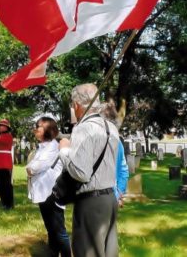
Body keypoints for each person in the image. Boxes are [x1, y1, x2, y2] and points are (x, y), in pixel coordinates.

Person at [59, 84, 120, 257]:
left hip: (90, 201)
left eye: (72, 104)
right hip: (110, 198)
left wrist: (64, 150)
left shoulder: (83, 128)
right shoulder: (111, 128)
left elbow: (81, 173)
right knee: (108, 252)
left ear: (77, 105)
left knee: (88, 252)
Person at [26, 117, 71, 257]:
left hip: (52, 194)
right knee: (50, 229)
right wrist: (30, 168)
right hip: (42, 193)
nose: (35, 129)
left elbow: (34, 168)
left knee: (59, 231)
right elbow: (31, 166)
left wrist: (30, 168)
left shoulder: (52, 147)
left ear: (48, 130)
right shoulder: (42, 148)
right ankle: (53, 252)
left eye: (38, 126)